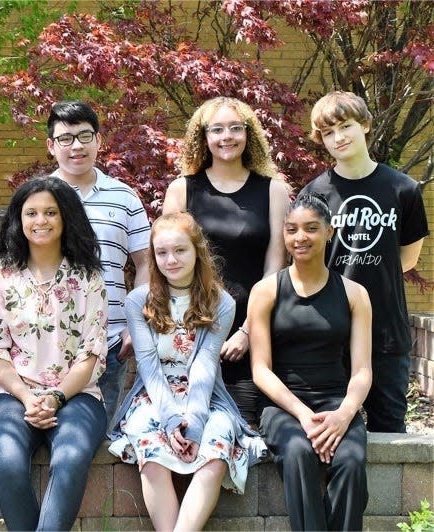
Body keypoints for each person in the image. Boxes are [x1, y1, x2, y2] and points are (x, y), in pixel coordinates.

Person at [108, 213, 267, 531]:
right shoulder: (139, 301)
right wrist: (168, 419)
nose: (171, 259)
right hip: (154, 395)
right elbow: (149, 367)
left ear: (197, 251)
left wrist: (193, 424)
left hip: (205, 396)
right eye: (161, 252)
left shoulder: (220, 301)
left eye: (180, 250)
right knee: (151, 454)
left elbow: (205, 363)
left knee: (216, 451)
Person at [0, 176, 108, 531]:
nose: (41, 221)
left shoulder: (88, 277)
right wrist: (25, 395)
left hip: (76, 395)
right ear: (18, 220)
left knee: (70, 456)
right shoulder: (2, 277)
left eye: (50, 212)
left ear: (66, 216)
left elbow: (92, 354)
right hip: (9, 395)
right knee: (6, 460)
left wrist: (54, 397)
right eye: (31, 212)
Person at [301, 91, 429, 433]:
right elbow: (308, 263)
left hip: (386, 329)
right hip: (330, 330)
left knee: (389, 431)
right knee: (331, 433)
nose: (338, 137)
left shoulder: (403, 189)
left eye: (346, 126)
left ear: (366, 125)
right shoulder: (314, 194)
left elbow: (406, 258)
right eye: (328, 132)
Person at [162, 96, 290, 427]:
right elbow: (168, 263)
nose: (226, 137)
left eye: (235, 128)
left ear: (249, 134)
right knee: (186, 428)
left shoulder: (274, 190)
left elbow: (275, 266)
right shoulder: (181, 190)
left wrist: (248, 330)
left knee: (243, 426)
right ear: (203, 137)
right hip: (192, 330)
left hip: (250, 333)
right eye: (216, 129)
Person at [249, 192, 372, 530]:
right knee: (299, 452)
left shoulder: (354, 294)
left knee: (350, 461)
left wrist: (345, 414)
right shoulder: (266, 291)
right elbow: (260, 369)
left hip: (336, 401)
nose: (300, 237)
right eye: (291, 229)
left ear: (329, 232)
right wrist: (302, 414)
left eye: (311, 228)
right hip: (282, 405)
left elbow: (362, 369)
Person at [47, 100, 150, 426]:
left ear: (99, 141)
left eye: (84, 136)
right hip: (46, 342)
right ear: (51, 146)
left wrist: (138, 323)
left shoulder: (125, 197)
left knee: (101, 444)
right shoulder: (38, 199)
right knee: (51, 439)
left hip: (111, 341)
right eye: (65, 138)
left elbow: (146, 264)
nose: (76, 146)